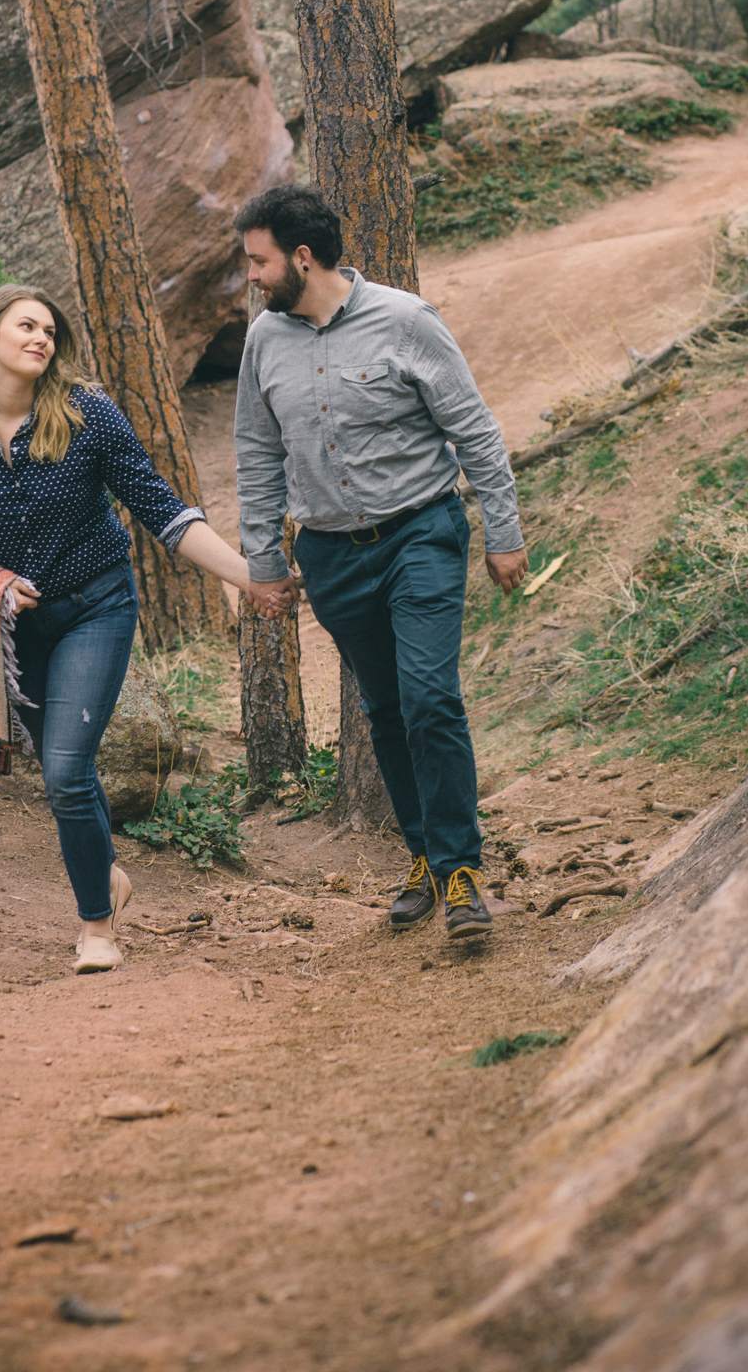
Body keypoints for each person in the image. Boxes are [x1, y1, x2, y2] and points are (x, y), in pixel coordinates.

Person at [0, 283, 271, 975]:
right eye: (25, 325)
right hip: (16, 629)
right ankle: (104, 873)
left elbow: (161, 510)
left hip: (96, 606)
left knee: (69, 771)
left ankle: (96, 929)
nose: (40, 338)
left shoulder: (88, 415)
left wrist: (245, 575)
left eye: (49, 330)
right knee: (62, 779)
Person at [233, 185, 528, 941]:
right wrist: (263, 560)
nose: (252, 279)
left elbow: (476, 432)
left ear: (302, 257)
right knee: (387, 710)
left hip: (419, 535)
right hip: (330, 556)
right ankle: (426, 857)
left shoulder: (405, 321)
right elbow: (257, 455)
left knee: (429, 697)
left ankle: (461, 870)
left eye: (259, 262)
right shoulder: (263, 339)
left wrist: (502, 532)